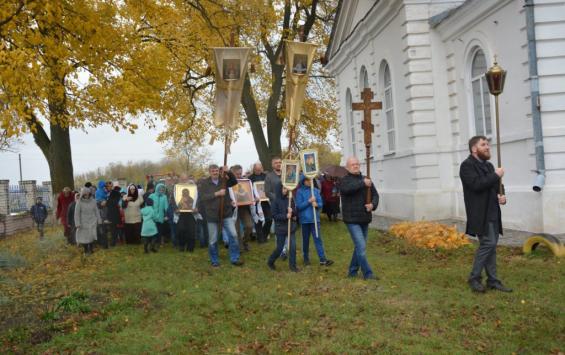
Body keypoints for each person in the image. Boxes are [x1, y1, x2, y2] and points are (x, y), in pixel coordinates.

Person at [460, 135, 512, 293]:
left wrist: (501, 195)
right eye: (483, 144)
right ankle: (474, 278)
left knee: (491, 247)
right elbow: (476, 185)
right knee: (488, 244)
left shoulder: (489, 166)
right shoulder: (467, 166)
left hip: (493, 211)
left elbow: (494, 186)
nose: (488, 147)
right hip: (480, 213)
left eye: (488, 144)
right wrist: (496, 175)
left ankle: (493, 280)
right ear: (474, 149)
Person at [340, 157, 379, 280]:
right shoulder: (344, 180)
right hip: (352, 220)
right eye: (353, 164)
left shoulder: (366, 179)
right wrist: (363, 183)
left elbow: (375, 195)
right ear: (347, 167)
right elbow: (347, 189)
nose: (356, 166)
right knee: (361, 247)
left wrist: (372, 205)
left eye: (357, 164)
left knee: (359, 247)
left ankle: (352, 271)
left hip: (364, 218)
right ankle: (368, 273)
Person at [198, 164, 243, 267]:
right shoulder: (205, 183)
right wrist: (216, 194)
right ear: (209, 172)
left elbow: (234, 182)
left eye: (217, 170)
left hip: (226, 213)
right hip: (212, 214)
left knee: (234, 235)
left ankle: (234, 258)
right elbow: (203, 197)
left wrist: (229, 172)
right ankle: (214, 260)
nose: (215, 172)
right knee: (213, 239)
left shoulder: (224, 180)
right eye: (213, 171)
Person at [296, 175, 334, 266]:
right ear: (303, 181)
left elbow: (321, 204)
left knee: (318, 239)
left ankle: (322, 259)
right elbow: (299, 207)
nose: (310, 182)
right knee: (305, 240)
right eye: (308, 180)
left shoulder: (316, 191)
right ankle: (306, 259)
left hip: (315, 220)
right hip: (305, 220)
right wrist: (308, 201)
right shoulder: (299, 192)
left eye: (311, 180)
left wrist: (316, 204)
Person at [267, 183, 298, 272]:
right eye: (283, 188)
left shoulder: (290, 199)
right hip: (280, 228)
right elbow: (274, 215)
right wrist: (285, 216)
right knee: (280, 248)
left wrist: (293, 211)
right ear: (279, 189)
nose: (285, 190)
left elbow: (295, 213)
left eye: (286, 189)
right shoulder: (275, 201)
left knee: (293, 247)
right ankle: (270, 261)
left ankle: (293, 266)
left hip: (290, 227)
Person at [231, 165, 255, 251]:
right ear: (233, 173)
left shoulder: (245, 182)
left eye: (240, 173)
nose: (239, 175)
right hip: (233, 209)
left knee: (249, 226)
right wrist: (230, 201)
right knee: (236, 229)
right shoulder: (228, 182)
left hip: (244, 207)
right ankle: (240, 247)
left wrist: (253, 198)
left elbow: (248, 193)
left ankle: (245, 241)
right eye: (237, 174)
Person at [249, 162, 272, 243]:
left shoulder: (266, 176)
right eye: (257, 169)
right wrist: (254, 197)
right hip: (256, 202)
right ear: (254, 169)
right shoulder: (250, 178)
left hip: (266, 201)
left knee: (269, 218)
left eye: (260, 169)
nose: (259, 171)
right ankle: (260, 238)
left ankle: (265, 235)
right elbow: (248, 190)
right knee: (258, 220)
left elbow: (270, 186)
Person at [74, 187, 101, 255]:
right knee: (84, 237)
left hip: (92, 220)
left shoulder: (93, 201)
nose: (86, 195)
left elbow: (96, 211)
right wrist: (77, 223)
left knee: (91, 236)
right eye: (85, 194)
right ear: (82, 194)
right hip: (83, 222)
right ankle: (86, 250)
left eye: (88, 194)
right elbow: (76, 214)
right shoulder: (79, 202)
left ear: (89, 194)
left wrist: (99, 220)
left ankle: (91, 249)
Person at [174, 188, 197, 252]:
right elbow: (176, 208)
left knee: (191, 232)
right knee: (181, 231)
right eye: (184, 192)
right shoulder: (180, 200)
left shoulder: (192, 199)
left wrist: (195, 209)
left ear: (188, 193)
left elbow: (194, 207)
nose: (185, 193)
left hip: (191, 216)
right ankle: (181, 246)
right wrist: (177, 210)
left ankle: (190, 248)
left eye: (186, 192)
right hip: (181, 216)